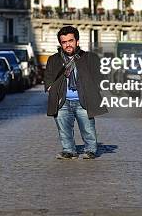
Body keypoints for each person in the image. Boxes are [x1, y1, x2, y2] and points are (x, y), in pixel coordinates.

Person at [44, 25, 107, 159]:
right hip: (62, 101)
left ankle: (90, 150)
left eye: (70, 41)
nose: (67, 45)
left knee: (88, 128)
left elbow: (99, 76)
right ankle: (69, 150)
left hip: (83, 100)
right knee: (64, 129)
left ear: (77, 41)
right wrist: (50, 89)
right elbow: (48, 77)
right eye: (64, 42)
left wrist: (93, 89)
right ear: (61, 44)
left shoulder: (90, 57)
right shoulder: (54, 59)